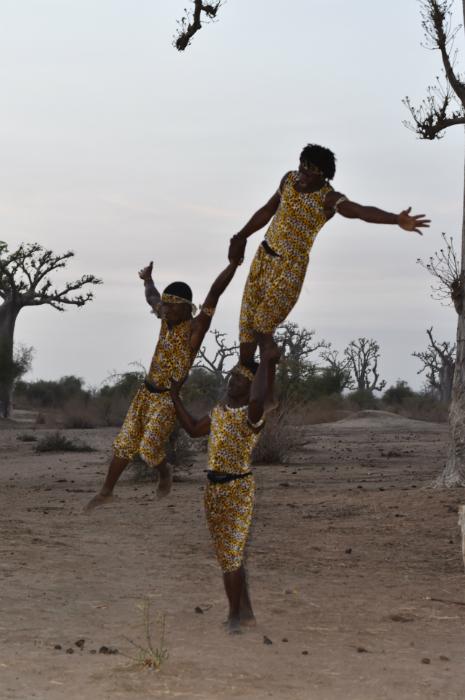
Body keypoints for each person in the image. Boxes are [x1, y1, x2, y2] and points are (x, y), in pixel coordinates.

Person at [228, 143, 431, 369]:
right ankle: (243, 393)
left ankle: (266, 395)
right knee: (246, 333)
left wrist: (395, 219)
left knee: (263, 325)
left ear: (323, 175)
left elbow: (360, 212)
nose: (302, 173)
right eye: (301, 166)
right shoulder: (288, 180)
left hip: (289, 269)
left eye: (310, 170)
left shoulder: (329, 198)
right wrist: (241, 236)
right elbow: (267, 210)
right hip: (262, 259)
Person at [85, 256, 241, 511]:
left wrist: (233, 265)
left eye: (171, 307)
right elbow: (151, 296)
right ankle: (106, 491)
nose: (165, 310)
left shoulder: (195, 328)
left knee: (148, 450)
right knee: (124, 444)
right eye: (165, 306)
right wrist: (147, 279)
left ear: (186, 308)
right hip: (145, 393)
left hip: (168, 399)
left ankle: (164, 471)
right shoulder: (165, 316)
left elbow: (214, 293)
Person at [169, 341, 280, 634]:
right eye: (232, 376)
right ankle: (246, 613)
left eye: (240, 378)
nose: (232, 382)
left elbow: (258, 399)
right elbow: (193, 429)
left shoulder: (252, 416)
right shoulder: (220, 412)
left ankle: (234, 618)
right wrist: (174, 397)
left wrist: (266, 363)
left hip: (238, 489)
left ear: (252, 385)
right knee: (228, 555)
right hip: (213, 489)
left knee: (231, 555)